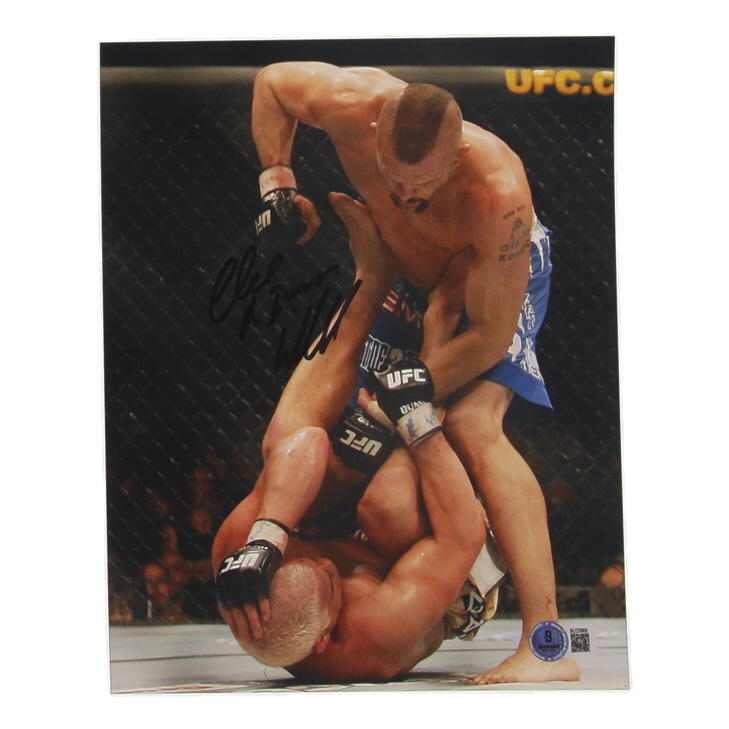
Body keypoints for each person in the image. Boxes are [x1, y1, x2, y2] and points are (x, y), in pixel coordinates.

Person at [249, 62, 579, 683]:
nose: (402, 198)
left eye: (421, 187)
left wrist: (401, 394)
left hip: (487, 287)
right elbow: (270, 83)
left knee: (474, 424)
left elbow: (487, 337)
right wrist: (277, 183)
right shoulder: (350, 101)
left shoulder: (498, 194)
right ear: (374, 133)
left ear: (456, 158)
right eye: (391, 181)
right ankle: (462, 570)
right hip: (409, 277)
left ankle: (547, 647)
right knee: (364, 472)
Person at [213, 194, 497, 682]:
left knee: (286, 439)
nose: (327, 563)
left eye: (308, 561)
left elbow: (307, 446)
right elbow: (460, 538)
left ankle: (373, 278)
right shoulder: (379, 629)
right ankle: (441, 329)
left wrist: (268, 537)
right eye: (330, 581)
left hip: (348, 527)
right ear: (326, 636)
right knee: (386, 506)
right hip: (449, 567)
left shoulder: (236, 559)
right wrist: (414, 420)